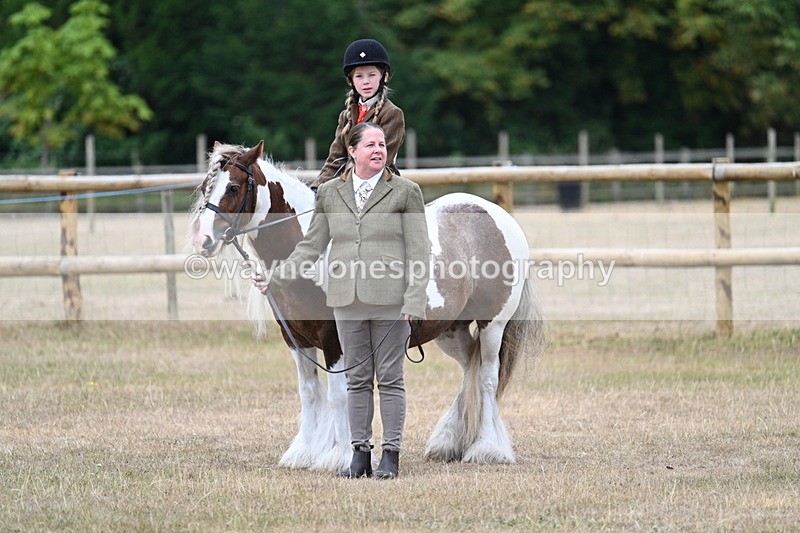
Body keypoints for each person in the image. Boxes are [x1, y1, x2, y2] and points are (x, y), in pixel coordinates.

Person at [253, 122, 431, 479]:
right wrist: (275, 277)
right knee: (358, 379)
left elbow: (420, 250)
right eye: (371, 145)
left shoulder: (406, 192)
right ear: (352, 151)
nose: (379, 150)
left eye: (382, 144)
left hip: (391, 300)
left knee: (391, 379)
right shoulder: (332, 193)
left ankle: (391, 455)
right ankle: (360, 454)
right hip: (346, 300)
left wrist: (414, 299)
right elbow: (311, 246)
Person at [310, 38, 406, 189]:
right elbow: (335, 159)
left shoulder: (392, 113)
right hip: (347, 182)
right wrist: (317, 187)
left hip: (380, 185)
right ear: (351, 81)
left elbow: (380, 161)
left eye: (371, 75)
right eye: (359, 76)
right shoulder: (346, 116)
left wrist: (342, 185)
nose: (365, 82)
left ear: (384, 77)